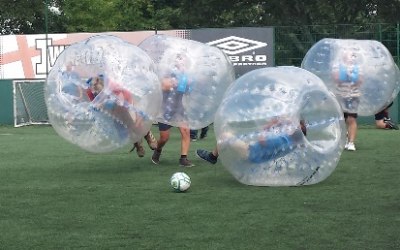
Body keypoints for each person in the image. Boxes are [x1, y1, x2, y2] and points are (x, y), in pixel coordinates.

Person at [86, 74, 157, 157]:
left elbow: (120, 101)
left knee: (134, 123)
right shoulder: (90, 90)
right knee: (126, 129)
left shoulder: (113, 86)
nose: (93, 89)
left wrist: (102, 104)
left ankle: (148, 136)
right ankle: (138, 145)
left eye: (95, 86)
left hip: (125, 103)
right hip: (112, 110)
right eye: (92, 86)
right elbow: (94, 104)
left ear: (101, 83)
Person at [196, 119, 307, 165]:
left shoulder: (281, 139)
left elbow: (262, 140)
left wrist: (268, 126)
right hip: (258, 155)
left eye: (295, 126)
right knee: (233, 135)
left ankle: (212, 157)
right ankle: (222, 151)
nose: (292, 125)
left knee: (225, 135)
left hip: (251, 153)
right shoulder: (292, 143)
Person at [151, 58, 194, 167]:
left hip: (179, 109)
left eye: (183, 62)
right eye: (179, 62)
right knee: (164, 137)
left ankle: (183, 159)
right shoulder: (166, 77)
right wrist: (177, 80)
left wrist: (187, 81)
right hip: (165, 110)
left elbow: (188, 90)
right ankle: (158, 150)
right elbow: (165, 86)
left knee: (186, 132)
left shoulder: (185, 77)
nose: (181, 64)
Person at [332, 51, 363, 151]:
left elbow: (360, 81)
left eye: (352, 55)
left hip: (354, 96)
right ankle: (345, 138)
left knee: (351, 119)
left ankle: (351, 142)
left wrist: (352, 75)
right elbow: (336, 79)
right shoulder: (337, 66)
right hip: (340, 96)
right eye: (349, 54)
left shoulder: (358, 68)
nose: (351, 57)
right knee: (342, 120)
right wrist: (344, 74)